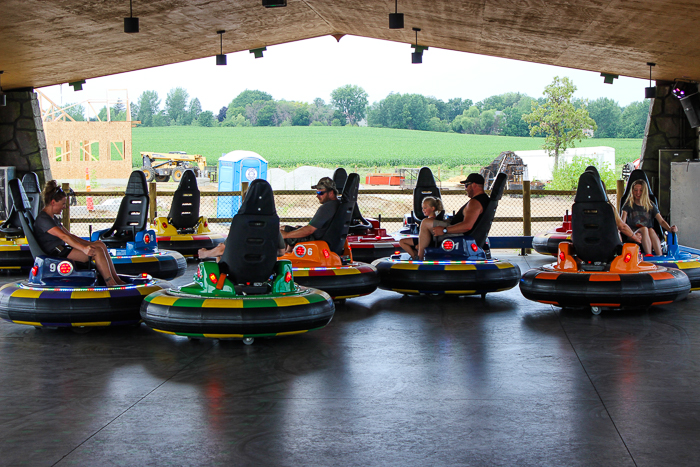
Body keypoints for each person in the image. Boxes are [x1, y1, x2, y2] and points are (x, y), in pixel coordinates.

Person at [34, 181, 126, 286]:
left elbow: (69, 235)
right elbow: (64, 237)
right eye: (63, 204)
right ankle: (111, 283)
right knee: (97, 251)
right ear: (53, 202)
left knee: (100, 244)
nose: (64, 207)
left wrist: (89, 244)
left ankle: (117, 280)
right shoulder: (43, 219)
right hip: (56, 254)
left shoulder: (52, 218)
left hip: (62, 250)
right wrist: (84, 249)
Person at [416, 173, 490, 260]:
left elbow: (467, 226)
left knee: (425, 223)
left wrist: (444, 230)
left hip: (459, 234)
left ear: (473, 185)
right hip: (460, 231)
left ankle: (420, 258)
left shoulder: (475, 203)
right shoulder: (484, 199)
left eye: (466, 185)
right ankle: (423, 250)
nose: (465, 189)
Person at [280, 177, 340, 253]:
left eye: (320, 193)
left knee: (283, 230)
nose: (317, 196)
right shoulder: (337, 204)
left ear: (331, 193)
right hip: (325, 238)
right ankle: (289, 254)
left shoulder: (327, 208)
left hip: (317, 240)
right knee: (295, 228)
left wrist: (286, 234)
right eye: (317, 193)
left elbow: (309, 230)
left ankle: (282, 257)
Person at [621, 179, 677, 256]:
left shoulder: (650, 205)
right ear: (632, 191)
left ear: (644, 192)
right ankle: (649, 255)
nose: (638, 193)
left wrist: (670, 229)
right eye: (635, 190)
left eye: (640, 190)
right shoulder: (628, 205)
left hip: (648, 233)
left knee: (651, 230)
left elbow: (661, 221)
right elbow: (622, 223)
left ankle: (659, 256)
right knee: (644, 229)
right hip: (633, 234)